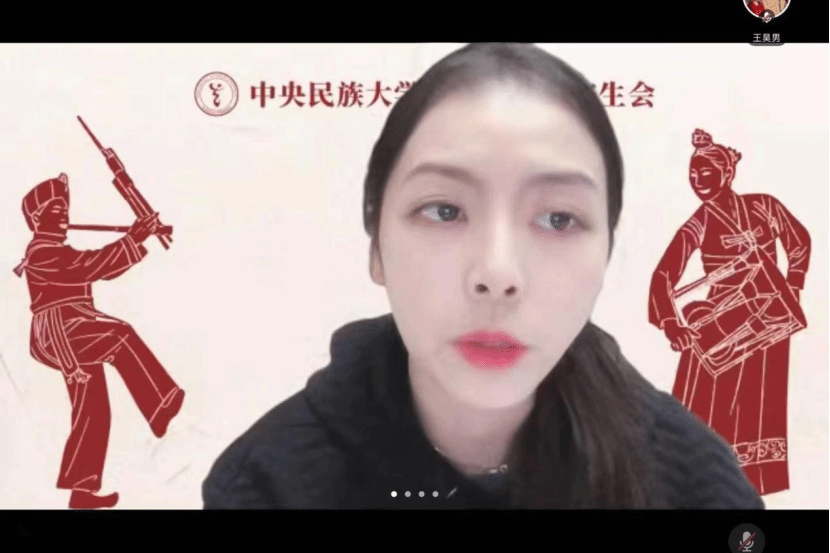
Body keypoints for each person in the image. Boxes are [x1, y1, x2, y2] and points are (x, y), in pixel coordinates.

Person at [202, 43, 765, 509]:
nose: (497, 274)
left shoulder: (694, 485)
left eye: (558, 219)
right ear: (377, 245)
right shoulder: (268, 484)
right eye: (444, 210)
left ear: (607, 255)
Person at [647, 129, 810, 496]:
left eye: (706, 172)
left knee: (758, 404)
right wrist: (673, 324)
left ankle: (752, 489)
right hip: (720, 319)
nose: (698, 180)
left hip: (768, 316)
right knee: (707, 407)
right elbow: (664, 275)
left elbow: (798, 242)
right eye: (692, 174)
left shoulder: (764, 206)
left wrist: (792, 287)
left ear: (727, 173)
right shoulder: (700, 222)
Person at [13, 174, 185, 509]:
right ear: (36, 218)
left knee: (93, 409)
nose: (64, 215)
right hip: (60, 331)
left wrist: (136, 239)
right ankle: (161, 404)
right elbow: (88, 266)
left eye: (65, 209)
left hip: (76, 327)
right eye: (55, 210)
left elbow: (100, 268)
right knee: (119, 335)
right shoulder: (41, 254)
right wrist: (132, 239)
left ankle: (81, 492)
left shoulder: (57, 251)